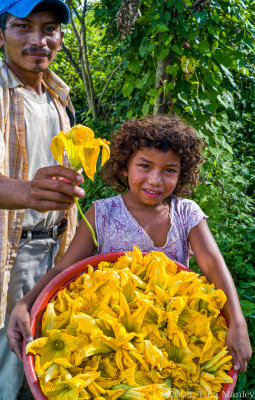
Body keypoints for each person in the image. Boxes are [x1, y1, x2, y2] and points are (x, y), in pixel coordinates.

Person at [8, 115, 252, 382]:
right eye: (145, 166)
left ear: (182, 174)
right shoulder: (101, 213)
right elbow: (64, 268)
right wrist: (25, 302)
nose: (155, 180)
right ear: (125, 167)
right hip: (110, 348)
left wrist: (237, 323)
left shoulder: (186, 214)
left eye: (169, 170)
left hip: (169, 343)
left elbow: (214, 266)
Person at [0, 0, 85, 398]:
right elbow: (29, 187)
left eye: (49, 28)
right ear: (1, 33)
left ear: (61, 37)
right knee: (7, 372)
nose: (39, 40)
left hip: (55, 253)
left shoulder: (57, 95)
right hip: (8, 256)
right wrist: (25, 192)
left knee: (44, 370)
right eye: (23, 27)